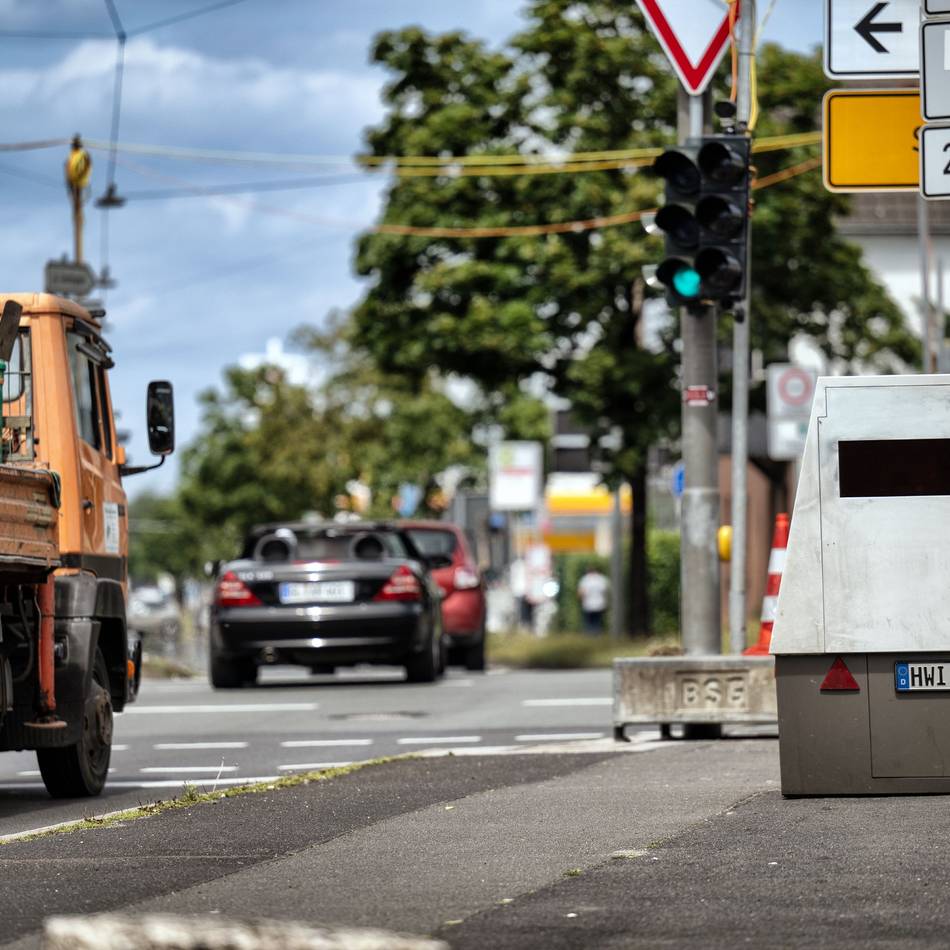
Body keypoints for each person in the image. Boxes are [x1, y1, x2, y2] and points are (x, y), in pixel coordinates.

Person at [577, 564, 609, 635]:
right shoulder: (601, 579)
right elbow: (605, 592)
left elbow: (581, 593)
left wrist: (581, 600)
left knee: (589, 623)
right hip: (600, 604)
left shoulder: (585, 579)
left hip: (588, 605)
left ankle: (590, 636)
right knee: (598, 622)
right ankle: (597, 635)